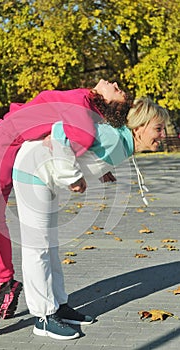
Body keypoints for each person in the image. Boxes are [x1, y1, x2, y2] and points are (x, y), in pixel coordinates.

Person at [0, 79, 133, 337]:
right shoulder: (83, 101)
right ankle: (3, 282)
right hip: (6, 142)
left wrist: (76, 176)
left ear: (107, 103)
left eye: (118, 91)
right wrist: (100, 170)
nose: (115, 83)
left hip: (1, 144)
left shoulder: (83, 113)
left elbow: (73, 139)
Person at [11, 96, 169, 340]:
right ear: (139, 127)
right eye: (158, 128)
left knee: (50, 246)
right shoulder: (113, 137)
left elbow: (86, 148)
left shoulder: (122, 142)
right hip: (32, 172)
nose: (163, 134)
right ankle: (43, 318)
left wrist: (102, 170)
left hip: (45, 177)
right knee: (38, 248)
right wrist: (73, 176)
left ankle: (59, 306)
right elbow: (60, 131)